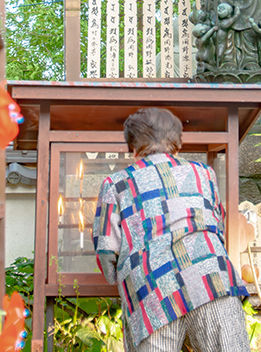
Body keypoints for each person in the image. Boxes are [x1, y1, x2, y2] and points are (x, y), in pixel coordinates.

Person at [92, 108, 249, 352]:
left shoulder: (116, 184)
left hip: (153, 290)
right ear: (176, 145)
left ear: (133, 148)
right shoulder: (204, 174)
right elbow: (219, 224)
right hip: (212, 281)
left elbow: (106, 250)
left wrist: (121, 282)